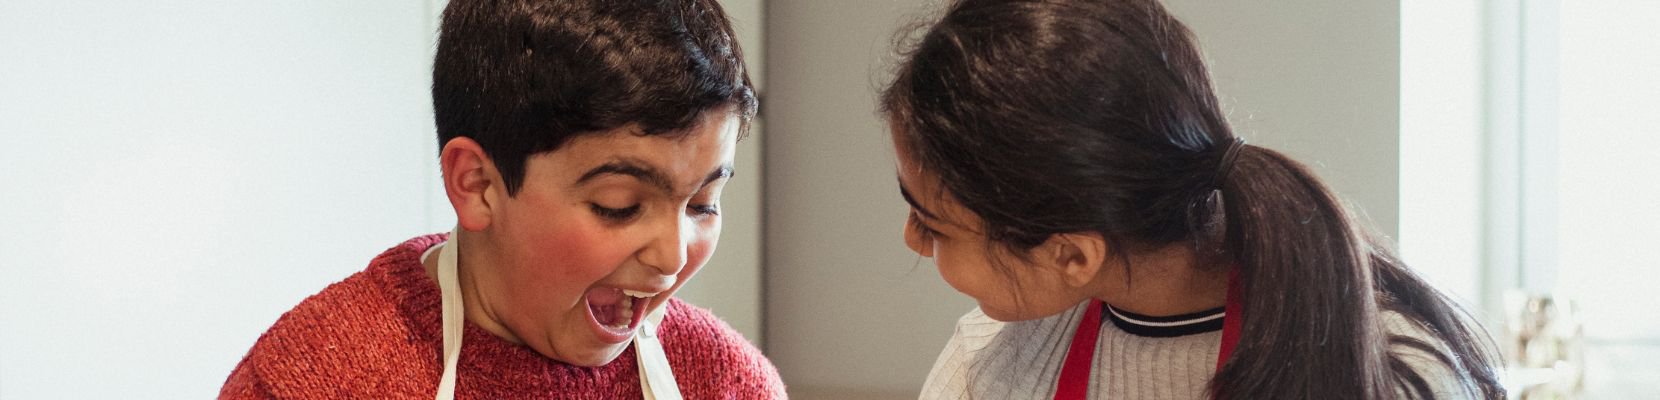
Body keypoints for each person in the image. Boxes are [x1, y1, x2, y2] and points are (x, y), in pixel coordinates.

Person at [881, 0, 1504, 398]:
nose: (910, 239)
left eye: (932, 222)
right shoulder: (987, 363)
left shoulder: (1391, 372)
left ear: (1071, 255)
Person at [220, 0, 785, 398]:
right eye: (619, 204)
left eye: (703, 203)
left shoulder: (726, 381)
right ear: (477, 184)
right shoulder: (312, 380)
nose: (671, 256)